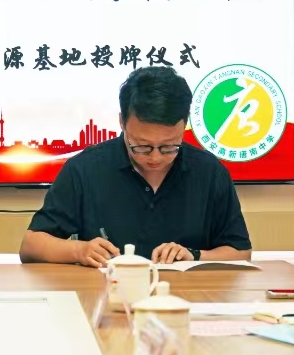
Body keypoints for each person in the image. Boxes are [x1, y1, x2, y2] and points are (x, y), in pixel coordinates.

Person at [20, 66, 251, 268]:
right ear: (122, 122)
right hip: (107, 296)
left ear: (185, 123)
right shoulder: (85, 169)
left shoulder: (209, 172)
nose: (155, 158)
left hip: (186, 299)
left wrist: (195, 255)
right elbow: (31, 245)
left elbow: (240, 252)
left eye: (169, 146)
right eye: (142, 146)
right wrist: (80, 251)